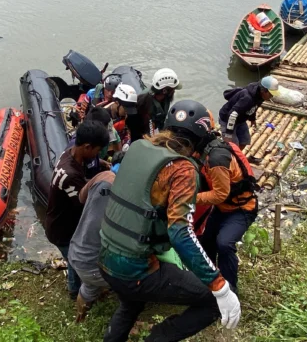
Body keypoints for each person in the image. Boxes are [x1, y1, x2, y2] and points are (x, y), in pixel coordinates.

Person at [98, 100, 241, 342]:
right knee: (213, 301)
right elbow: (180, 232)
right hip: (136, 271)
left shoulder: (138, 147)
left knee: (131, 304)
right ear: (199, 138)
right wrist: (220, 285)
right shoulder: (181, 169)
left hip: (105, 258)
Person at [44, 121, 110, 300]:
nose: (97, 155)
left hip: (58, 219)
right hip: (62, 229)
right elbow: (89, 204)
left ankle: (77, 288)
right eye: (97, 151)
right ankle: (75, 292)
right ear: (87, 146)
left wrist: (101, 163)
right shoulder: (71, 175)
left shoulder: (70, 154)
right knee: (75, 262)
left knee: (72, 260)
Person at [195, 134, 258, 292]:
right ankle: (209, 281)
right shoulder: (219, 148)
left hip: (241, 209)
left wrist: (190, 198)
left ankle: (230, 289)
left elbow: (219, 194)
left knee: (224, 243)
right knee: (206, 241)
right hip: (222, 208)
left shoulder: (217, 161)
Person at [68, 169, 117, 323]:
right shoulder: (129, 194)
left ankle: (80, 318)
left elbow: (81, 197)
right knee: (131, 281)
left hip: (75, 249)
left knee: (89, 286)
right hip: (91, 264)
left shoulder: (104, 175)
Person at [218, 76, 279, 150]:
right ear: (264, 90)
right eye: (270, 94)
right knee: (233, 146)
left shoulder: (260, 96)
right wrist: (228, 133)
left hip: (240, 119)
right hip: (227, 119)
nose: (271, 96)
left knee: (245, 140)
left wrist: (252, 119)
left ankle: (237, 158)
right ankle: (232, 157)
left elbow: (254, 107)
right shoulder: (247, 98)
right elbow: (232, 114)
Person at [66, 107, 121, 179]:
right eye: (104, 129)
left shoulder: (92, 143)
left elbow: (91, 160)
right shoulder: (77, 151)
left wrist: (102, 163)